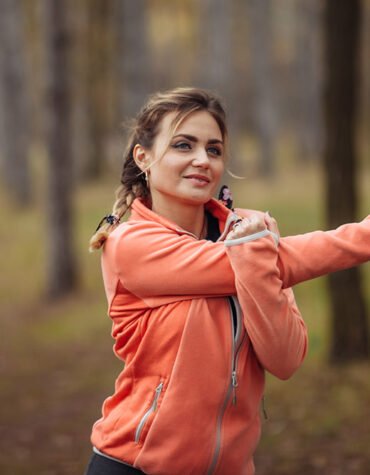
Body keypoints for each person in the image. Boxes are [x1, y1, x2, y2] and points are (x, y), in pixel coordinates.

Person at [85, 87, 370, 475]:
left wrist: (253, 249)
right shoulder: (131, 245)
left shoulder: (250, 237)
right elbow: (255, 262)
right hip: (136, 466)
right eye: (183, 145)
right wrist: (262, 249)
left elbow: (285, 358)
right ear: (144, 156)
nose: (202, 160)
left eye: (214, 149)